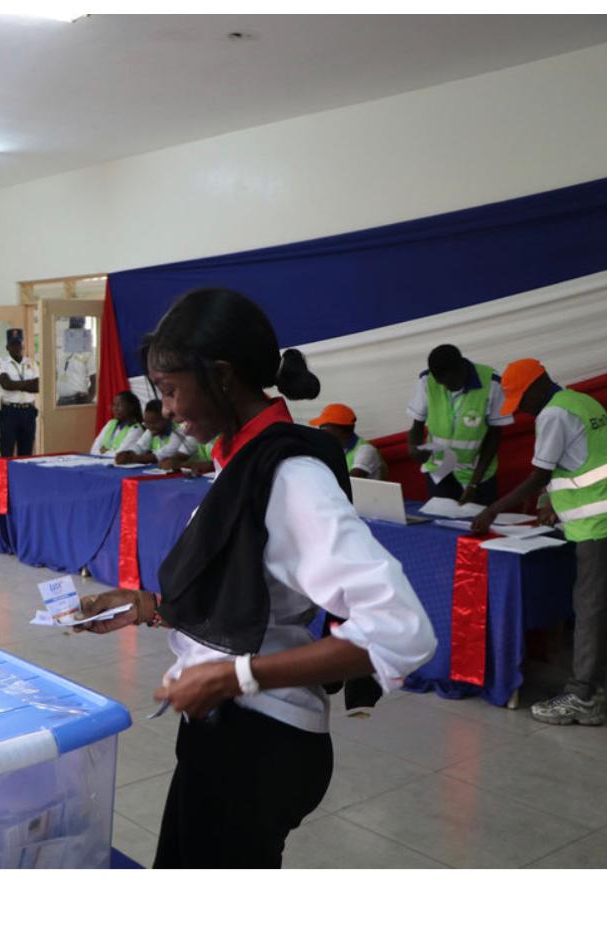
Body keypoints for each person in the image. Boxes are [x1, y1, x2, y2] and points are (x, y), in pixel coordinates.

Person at [75, 287, 435, 868]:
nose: (166, 409)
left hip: (259, 741)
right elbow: (252, 592)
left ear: (221, 376)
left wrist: (234, 676)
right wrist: (152, 606)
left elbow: (400, 629)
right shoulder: (242, 459)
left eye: (170, 390)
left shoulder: (290, 475)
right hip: (226, 727)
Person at [472, 359, 607, 726]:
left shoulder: (553, 413)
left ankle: (584, 697)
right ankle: (591, 688)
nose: (523, 410)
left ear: (539, 386)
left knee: (590, 608)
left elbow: (540, 474)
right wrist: (549, 503)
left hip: (597, 524)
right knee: (594, 605)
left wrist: (493, 510)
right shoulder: (581, 401)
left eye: (522, 401)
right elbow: (580, 462)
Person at [406, 344, 511, 504]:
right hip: (440, 469)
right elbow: (417, 424)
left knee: (479, 518)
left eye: (450, 382)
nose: (447, 388)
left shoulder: (492, 383)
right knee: (441, 518)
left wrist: (474, 484)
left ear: (462, 369)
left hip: (476, 473)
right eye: (441, 383)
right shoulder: (427, 380)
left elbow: (494, 436)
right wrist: (413, 447)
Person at [309, 403, 385, 480]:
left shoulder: (366, 450)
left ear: (338, 430)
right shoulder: (333, 449)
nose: (320, 431)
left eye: (323, 427)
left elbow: (352, 480)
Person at [0, 328, 39, 457]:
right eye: (13, 344)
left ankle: (23, 472)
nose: (16, 347)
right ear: (7, 347)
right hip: (10, 412)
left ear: (23, 345)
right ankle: (4, 472)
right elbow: (6, 384)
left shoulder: (31, 363)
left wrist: (16, 384)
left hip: (28, 412)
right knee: (6, 453)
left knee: (26, 454)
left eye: (18, 344)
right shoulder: (2, 362)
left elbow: (38, 386)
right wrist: (28, 383)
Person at [115, 399, 196, 466]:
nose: (150, 426)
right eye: (147, 423)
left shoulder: (178, 431)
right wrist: (128, 453)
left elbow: (163, 454)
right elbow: (140, 446)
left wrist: (131, 458)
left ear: (166, 419)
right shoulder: (151, 430)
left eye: (154, 422)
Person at [56, 316, 97, 406]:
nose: (75, 332)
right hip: (61, 400)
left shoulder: (88, 350)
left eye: (78, 329)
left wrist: (90, 397)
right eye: (73, 328)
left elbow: (95, 378)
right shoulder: (63, 348)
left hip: (78, 400)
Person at [89, 391, 144, 455]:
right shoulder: (110, 423)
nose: (115, 408)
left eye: (119, 405)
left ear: (130, 408)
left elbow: (120, 455)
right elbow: (94, 449)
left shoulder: (136, 429)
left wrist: (104, 451)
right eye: (114, 405)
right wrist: (109, 452)